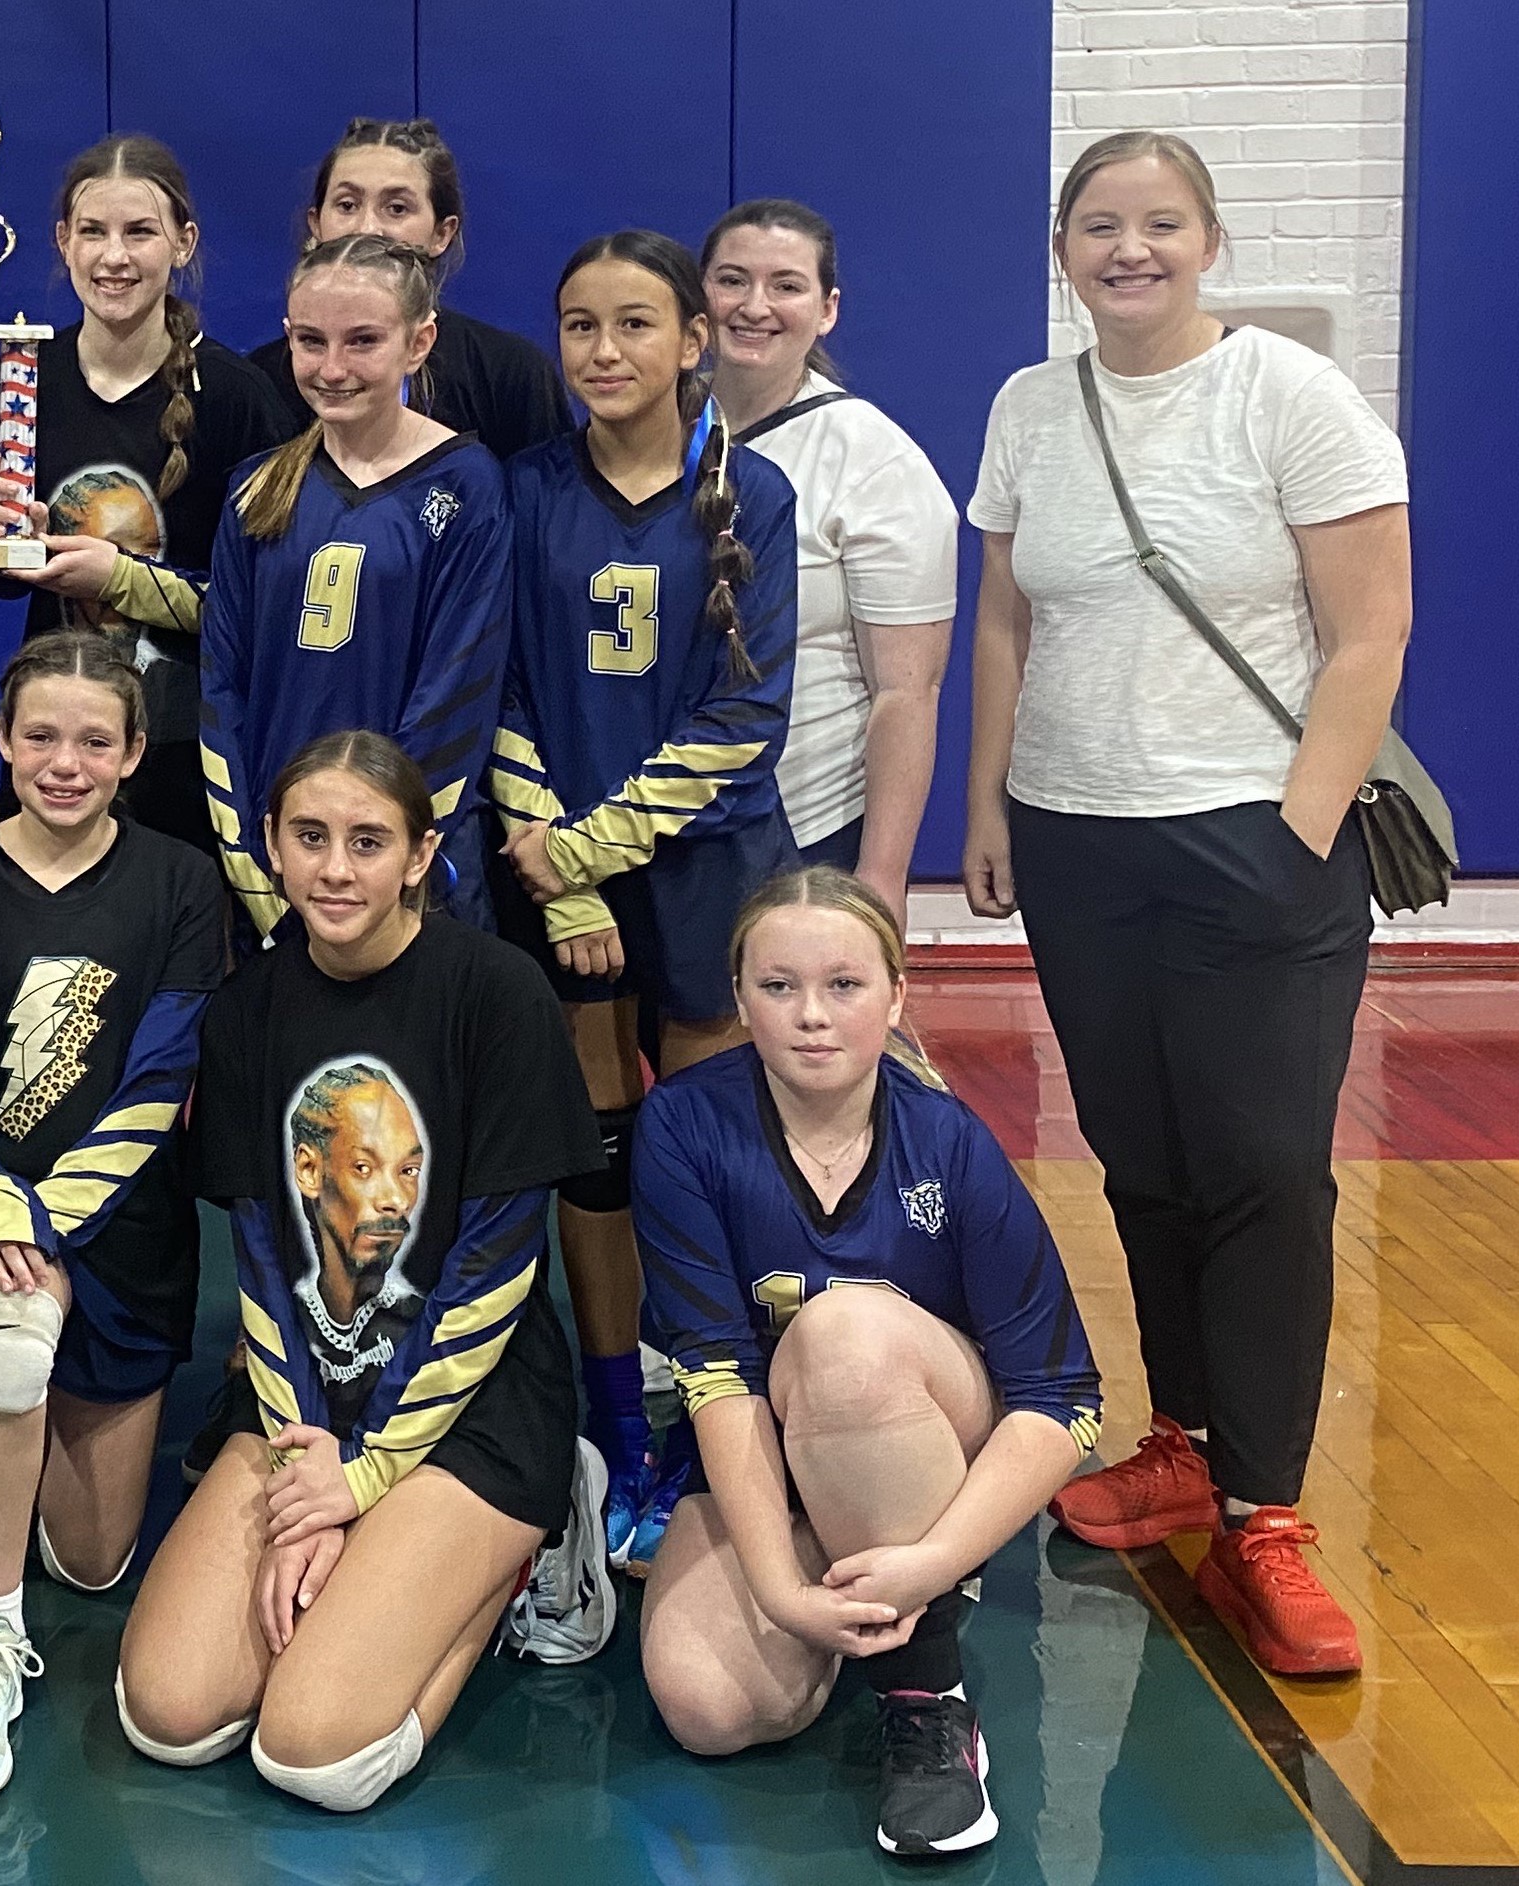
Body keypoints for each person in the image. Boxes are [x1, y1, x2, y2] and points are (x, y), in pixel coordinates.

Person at [962, 131, 1409, 1676]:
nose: (1126, 248)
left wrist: (1294, 831)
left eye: (1157, 223)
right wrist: (988, 801)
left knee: (1265, 1169)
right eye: (1097, 224)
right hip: (1077, 839)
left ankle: (1265, 1514)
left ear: (1206, 239)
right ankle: (1180, 1436)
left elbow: (1368, 630)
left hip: (1248, 843)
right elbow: (1006, 618)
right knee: (1141, 1161)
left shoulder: (1288, 397)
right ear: (1061, 247)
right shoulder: (1030, 404)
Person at [114, 731, 602, 1814]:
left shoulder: (496, 992)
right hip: (303, 1394)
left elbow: (496, 1264)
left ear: (420, 855)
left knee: (314, 1752)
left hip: (473, 1398)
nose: (336, 868)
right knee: (167, 1713)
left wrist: (367, 1479)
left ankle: (524, 1545)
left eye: (368, 841)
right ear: (273, 852)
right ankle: (385, 1561)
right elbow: (253, 1253)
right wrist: (306, 1467)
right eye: (311, 838)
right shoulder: (245, 1012)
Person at [636, 866, 1104, 1858]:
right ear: (738, 997)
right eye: (777, 985)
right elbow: (714, 1372)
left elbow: (1062, 1401)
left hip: (915, 1429)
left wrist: (935, 1558)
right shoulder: (681, 1125)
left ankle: (925, 1690)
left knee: (842, 1336)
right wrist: (774, 1586)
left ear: (896, 995)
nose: (810, 1015)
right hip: (772, 1453)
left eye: (843, 984)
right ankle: (847, 1582)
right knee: (708, 1707)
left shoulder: (947, 1140)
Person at [490, 229, 800, 1574]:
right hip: (549, 871)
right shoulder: (520, 489)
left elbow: (747, 715)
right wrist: (550, 864)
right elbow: (491, 688)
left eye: (631, 325)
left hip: (704, 868)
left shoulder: (756, 495)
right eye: (576, 325)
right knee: (596, 1155)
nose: (600, 352)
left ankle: (708, 1415)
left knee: (703, 1158)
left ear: (690, 340)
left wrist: (594, 846)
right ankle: (616, 1424)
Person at [0, 633, 225, 1794]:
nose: (65, 762)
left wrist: (34, 1216)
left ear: (135, 752)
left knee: (92, 1565)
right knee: (2, 1343)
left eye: (95, 739)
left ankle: (2, 1459)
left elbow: (158, 1078)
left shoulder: (182, 883)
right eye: (39, 734)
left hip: (122, 1230)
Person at [0, 135, 292, 854]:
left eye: (140, 232)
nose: (113, 257)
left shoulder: (235, 398)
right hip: (57, 743)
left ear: (184, 243)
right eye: (92, 232)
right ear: (62, 241)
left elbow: (265, 598)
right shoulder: (11, 382)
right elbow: (2, 581)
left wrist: (121, 581)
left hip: (191, 748)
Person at [199, 234, 511, 942]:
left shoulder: (465, 485)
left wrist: (377, 850)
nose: (331, 368)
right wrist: (259, 855)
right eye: (310, 341)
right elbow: (222, 685)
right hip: (278, 866)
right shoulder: (256, 487)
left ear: (418, 340)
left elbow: (456, 692)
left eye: (362, 341)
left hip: (405, 868)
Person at [701, 199, 956, 913]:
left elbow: (906, 693)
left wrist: (880, 879)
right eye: (731, 281)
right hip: (654, 818)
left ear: (826, 309)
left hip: (806, 825)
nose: (755, 306)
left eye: (785, 285)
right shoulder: (651, 431)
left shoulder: (873, 460)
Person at [246, 118, 568, 463]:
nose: (367, 227)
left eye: (396, 208)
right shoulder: (259, 383)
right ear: (316, 224)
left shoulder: (510, 373)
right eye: (347, 205)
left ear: (442, 233)